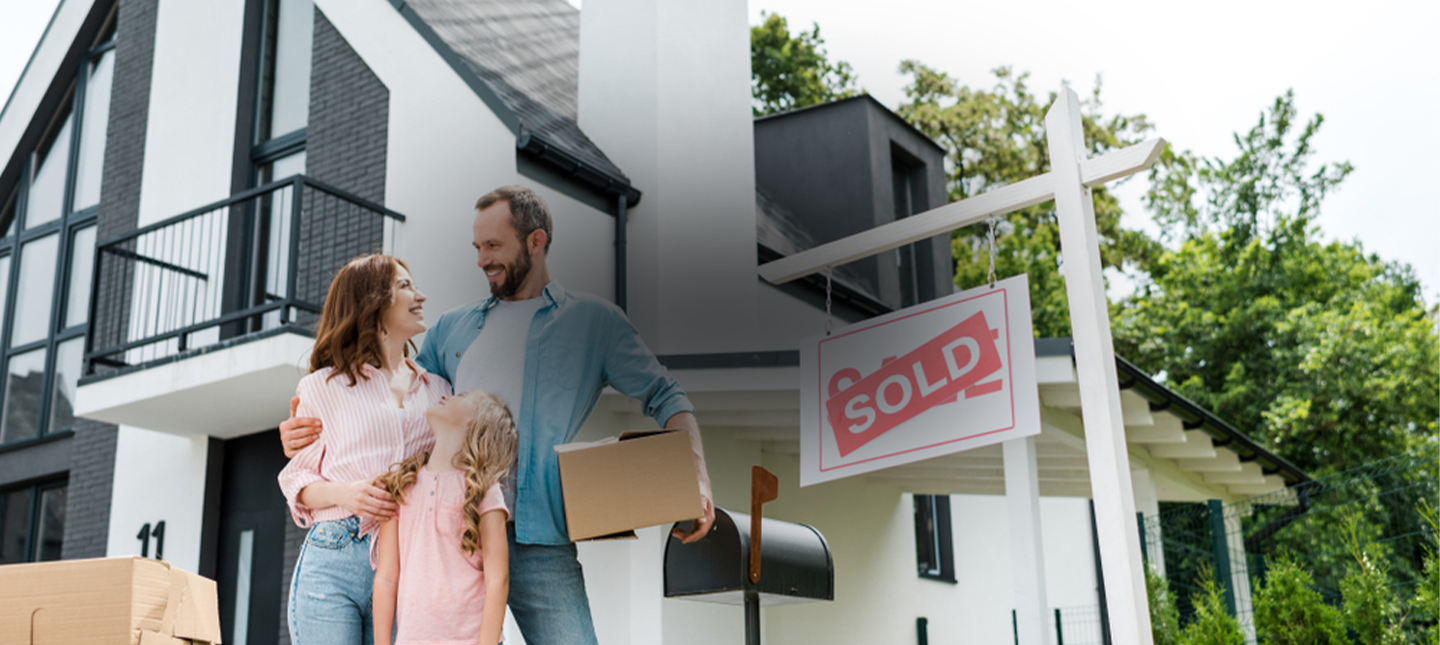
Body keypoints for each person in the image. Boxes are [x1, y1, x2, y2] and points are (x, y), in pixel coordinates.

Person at [281, 185, 714, 645]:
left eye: (494, 246)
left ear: (536, 241)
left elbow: (667, 395)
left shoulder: (595, 323)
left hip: (540, 539)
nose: (483, 260)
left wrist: (697, 477)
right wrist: (309, 429)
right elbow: (396, 405)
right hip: (447, 535)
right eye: (477, 247)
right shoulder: (453, 327)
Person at [278, 255, 451, 645]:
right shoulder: (323, 386)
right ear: (373, 301)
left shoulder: (439, 392)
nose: (419, 295)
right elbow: (297, 478)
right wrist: (348, 494)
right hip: (332, 555)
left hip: (406, 557)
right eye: (405, 286)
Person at [373, 390, 517, 645]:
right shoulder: (400, 485)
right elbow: (386, 576)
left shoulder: (484, 490)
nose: (448, 396)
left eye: (462, 396)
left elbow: (498, 579)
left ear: (476, 421)